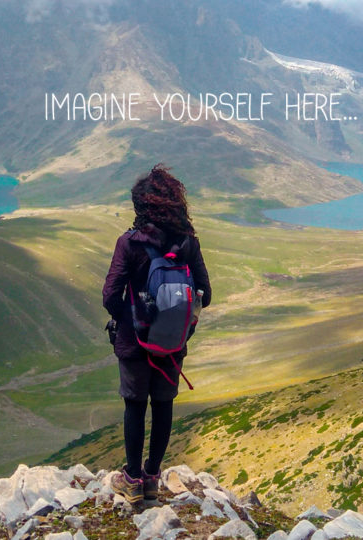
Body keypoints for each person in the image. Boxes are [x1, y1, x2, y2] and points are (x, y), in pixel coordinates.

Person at [102, 163, 211, 503]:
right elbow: (206, 293)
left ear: (141, 206)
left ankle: (132, 480)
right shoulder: (188, 243)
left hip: (134, 344)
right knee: (163, 405)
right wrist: (177, 321)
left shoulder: (129, 243)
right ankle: (152, 477)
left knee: (135, 406)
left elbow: (110, 296)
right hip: (172, 344)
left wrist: (131, 319)